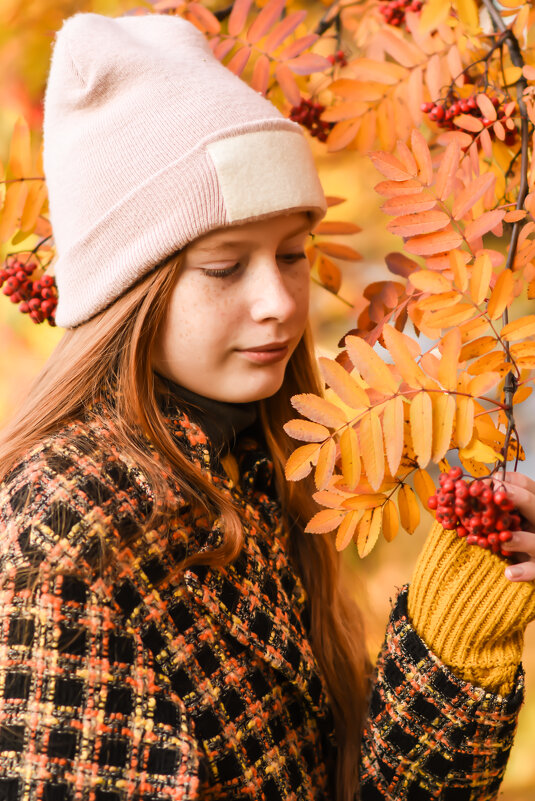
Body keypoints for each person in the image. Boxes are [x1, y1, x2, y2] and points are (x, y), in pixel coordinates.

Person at [0, 11, 534, 801]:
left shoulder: (250, 468)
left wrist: (462, 615)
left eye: (290, 255)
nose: (278, 302)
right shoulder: (65, 532)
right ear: (127, 293)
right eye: (224, 267)